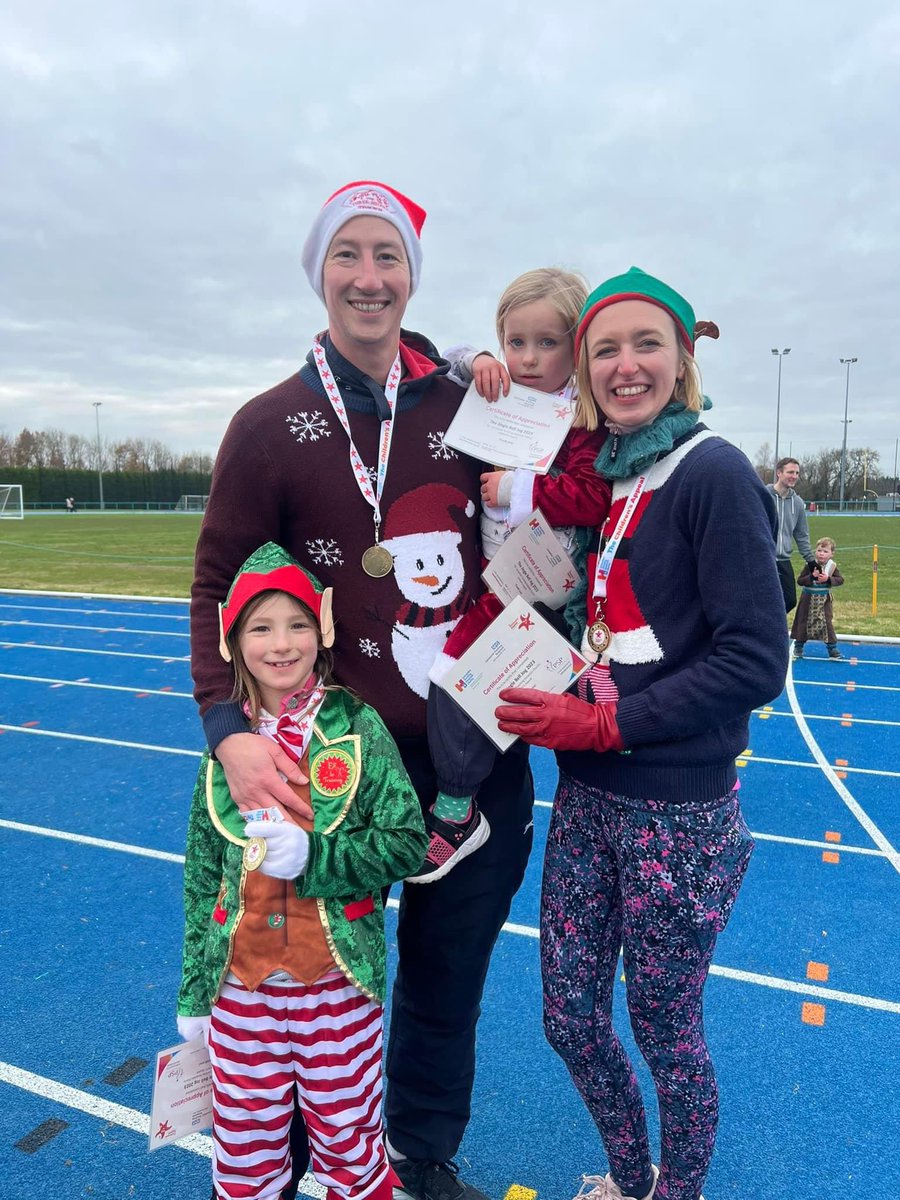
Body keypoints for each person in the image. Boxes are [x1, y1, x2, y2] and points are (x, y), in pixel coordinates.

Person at [189, 180, 534, 1200]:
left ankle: (419, 1160)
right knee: (309, 973)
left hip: (476, 749)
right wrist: (225, 728)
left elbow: (548, 512)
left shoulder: (474, 402)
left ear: (412, 279)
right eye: (350, 257)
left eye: (390, 258)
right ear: (321, 276)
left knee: (446, 974)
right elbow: (217, 581)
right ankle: (299, 1158)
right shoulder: (267, 422)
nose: (370, 278)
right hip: (328, 762)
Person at [495, 267, 788, 1200]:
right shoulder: (614, 475)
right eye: (605, 350)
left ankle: (677, 1193)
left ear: (682, 359)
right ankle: (629, 1176)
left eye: (645, 345)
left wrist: (608, 720)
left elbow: (754, 661)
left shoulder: (712, 470)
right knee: (569, 1020)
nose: (626, 367)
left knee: (666, 1029)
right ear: (584, 371)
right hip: (589, 796)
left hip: (679, 815)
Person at [178, 542, 428, 1200]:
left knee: (351, 1150)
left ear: (322, 629)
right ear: (233, 642)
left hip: (336, 990)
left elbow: (407, 842)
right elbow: (203, 878)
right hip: (241, 995)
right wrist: (193, 991)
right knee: (245, 1157)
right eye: (260, 627)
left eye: (295, 624)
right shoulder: (226, 751)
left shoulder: (358, 728)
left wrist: (317, 858)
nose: (280, 644)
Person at [413, 268, 611, 882]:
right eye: (514, 342)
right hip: (495, 584)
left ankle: (456, 812)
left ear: (575, 346)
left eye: (546, 343)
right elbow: (433, 356)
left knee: (467, 690)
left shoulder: (582, 417)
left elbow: (592, 494)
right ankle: (457, 802)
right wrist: (475, 360)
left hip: (545, 595)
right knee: (447, 677)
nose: (526, 359)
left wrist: (517, 487)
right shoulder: (497, 394)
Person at [766, 457, 814, 612]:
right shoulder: (764, 496)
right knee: (762, 597)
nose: (794, 476)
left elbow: (801, 534)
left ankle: (768, 627)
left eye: (797, 473)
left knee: (789, 600)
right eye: (790, 472)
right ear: (779, 473)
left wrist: (811, 561)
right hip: (763, 558)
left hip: (784, 559)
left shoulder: (798, 503)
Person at [791, 536, 844, 660]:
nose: (822, 554)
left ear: (831, 554)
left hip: (824, 600)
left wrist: (828, 579)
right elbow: (800, 581)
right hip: (807, 599)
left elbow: (840, 580)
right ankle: (798, 647)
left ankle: (832, 649)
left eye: (825, 551)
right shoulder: (809, 565)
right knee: (803, 622)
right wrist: (811, 577)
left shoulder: (832, 567)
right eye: (819, 550)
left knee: (827, 623)